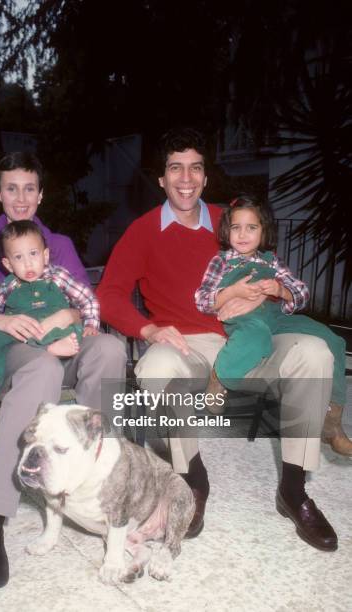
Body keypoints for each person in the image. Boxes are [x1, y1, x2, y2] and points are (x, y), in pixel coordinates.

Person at [97, 126, 339, 552]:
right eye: (175, 168)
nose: (185, 178)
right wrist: (149, 329)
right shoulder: (143, 230)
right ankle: (192, 481)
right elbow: (110, 295)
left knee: (314, 352)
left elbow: (279, 277)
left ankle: (294, 490)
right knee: (153, 368)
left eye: (195, 168)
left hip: (250, 338)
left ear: (206, 177)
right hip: (186, 344)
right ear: (161, 178)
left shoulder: (233, 222)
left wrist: (276, 292)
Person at [0, 151, 127, 589]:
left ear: (41, 194)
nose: (21, 197)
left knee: (109, 349)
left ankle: (100, 479)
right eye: (11, 187)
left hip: (61, 340)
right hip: (10, 352)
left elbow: (80, 299)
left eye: (30, 188)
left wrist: (64, 321)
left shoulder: (58, 244)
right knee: (43, 369)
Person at [194, 195, 351, 457]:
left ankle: (332, 423)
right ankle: (219, 377)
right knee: (257, 337)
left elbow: (301, 292)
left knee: (333, 340)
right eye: (236, 227)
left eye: (251, 227)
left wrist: (280, 289)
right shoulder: (221, 261)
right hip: (246, 319)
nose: (243, 234)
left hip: (276, 315)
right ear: (227, 231)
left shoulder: (271, 260)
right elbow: (202, 299)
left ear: (263, 230)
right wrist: (233, 291)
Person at [0, 220, 100, 407]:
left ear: (46, 255)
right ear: (8, 265)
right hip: (22, 335)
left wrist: (91, 323)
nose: (28, 263)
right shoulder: (8, 286)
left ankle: (52, 347)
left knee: (69, 328)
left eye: (33, 254)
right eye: (18, 257)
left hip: (57, 329)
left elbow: (86, 298)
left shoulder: (59, 276)